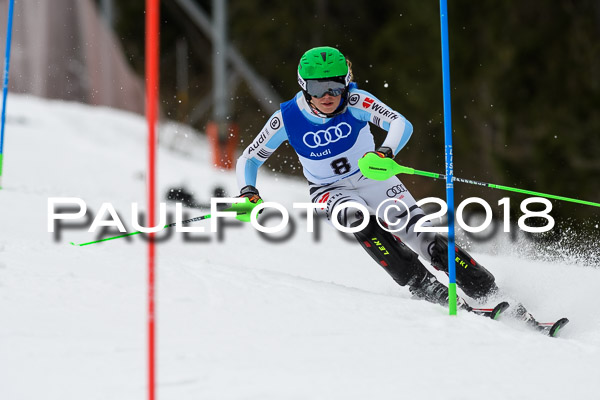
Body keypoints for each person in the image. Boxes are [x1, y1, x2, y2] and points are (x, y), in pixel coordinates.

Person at [235, 46, 498, 310]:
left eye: (335, 86)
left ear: (346, 83)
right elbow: (250, 158)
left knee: (422, 235)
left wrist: (385, 153)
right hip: (329, 189)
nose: (327, 96)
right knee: (357, 219)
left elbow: (400, 123)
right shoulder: (287, 119)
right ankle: (422, 284)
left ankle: (487, 290)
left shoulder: (355, 101)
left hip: (373, 178)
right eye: (317, 88)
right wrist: (248, 191)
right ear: (304, 87)